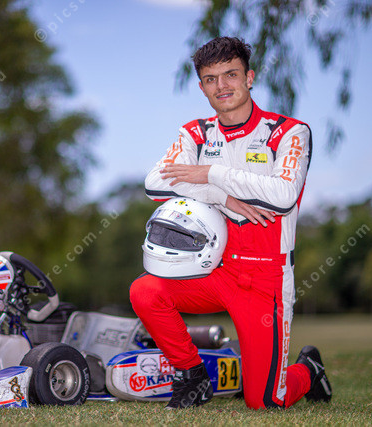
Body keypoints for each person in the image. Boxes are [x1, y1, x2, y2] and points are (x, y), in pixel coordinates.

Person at [129, 36, 332, 410]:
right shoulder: (196, 133)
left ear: (249, 77)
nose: (221, 86)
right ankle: (192, 376)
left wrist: (210, 172)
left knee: (266, 401)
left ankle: (308, 369)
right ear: (202, 87)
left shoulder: (289, 132)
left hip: (266, 280)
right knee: (145, 291)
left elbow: (283, 195)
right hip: (214, 271)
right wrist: (221, 196)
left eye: (231, 75)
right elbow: (155, 182)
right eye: (210, 79)